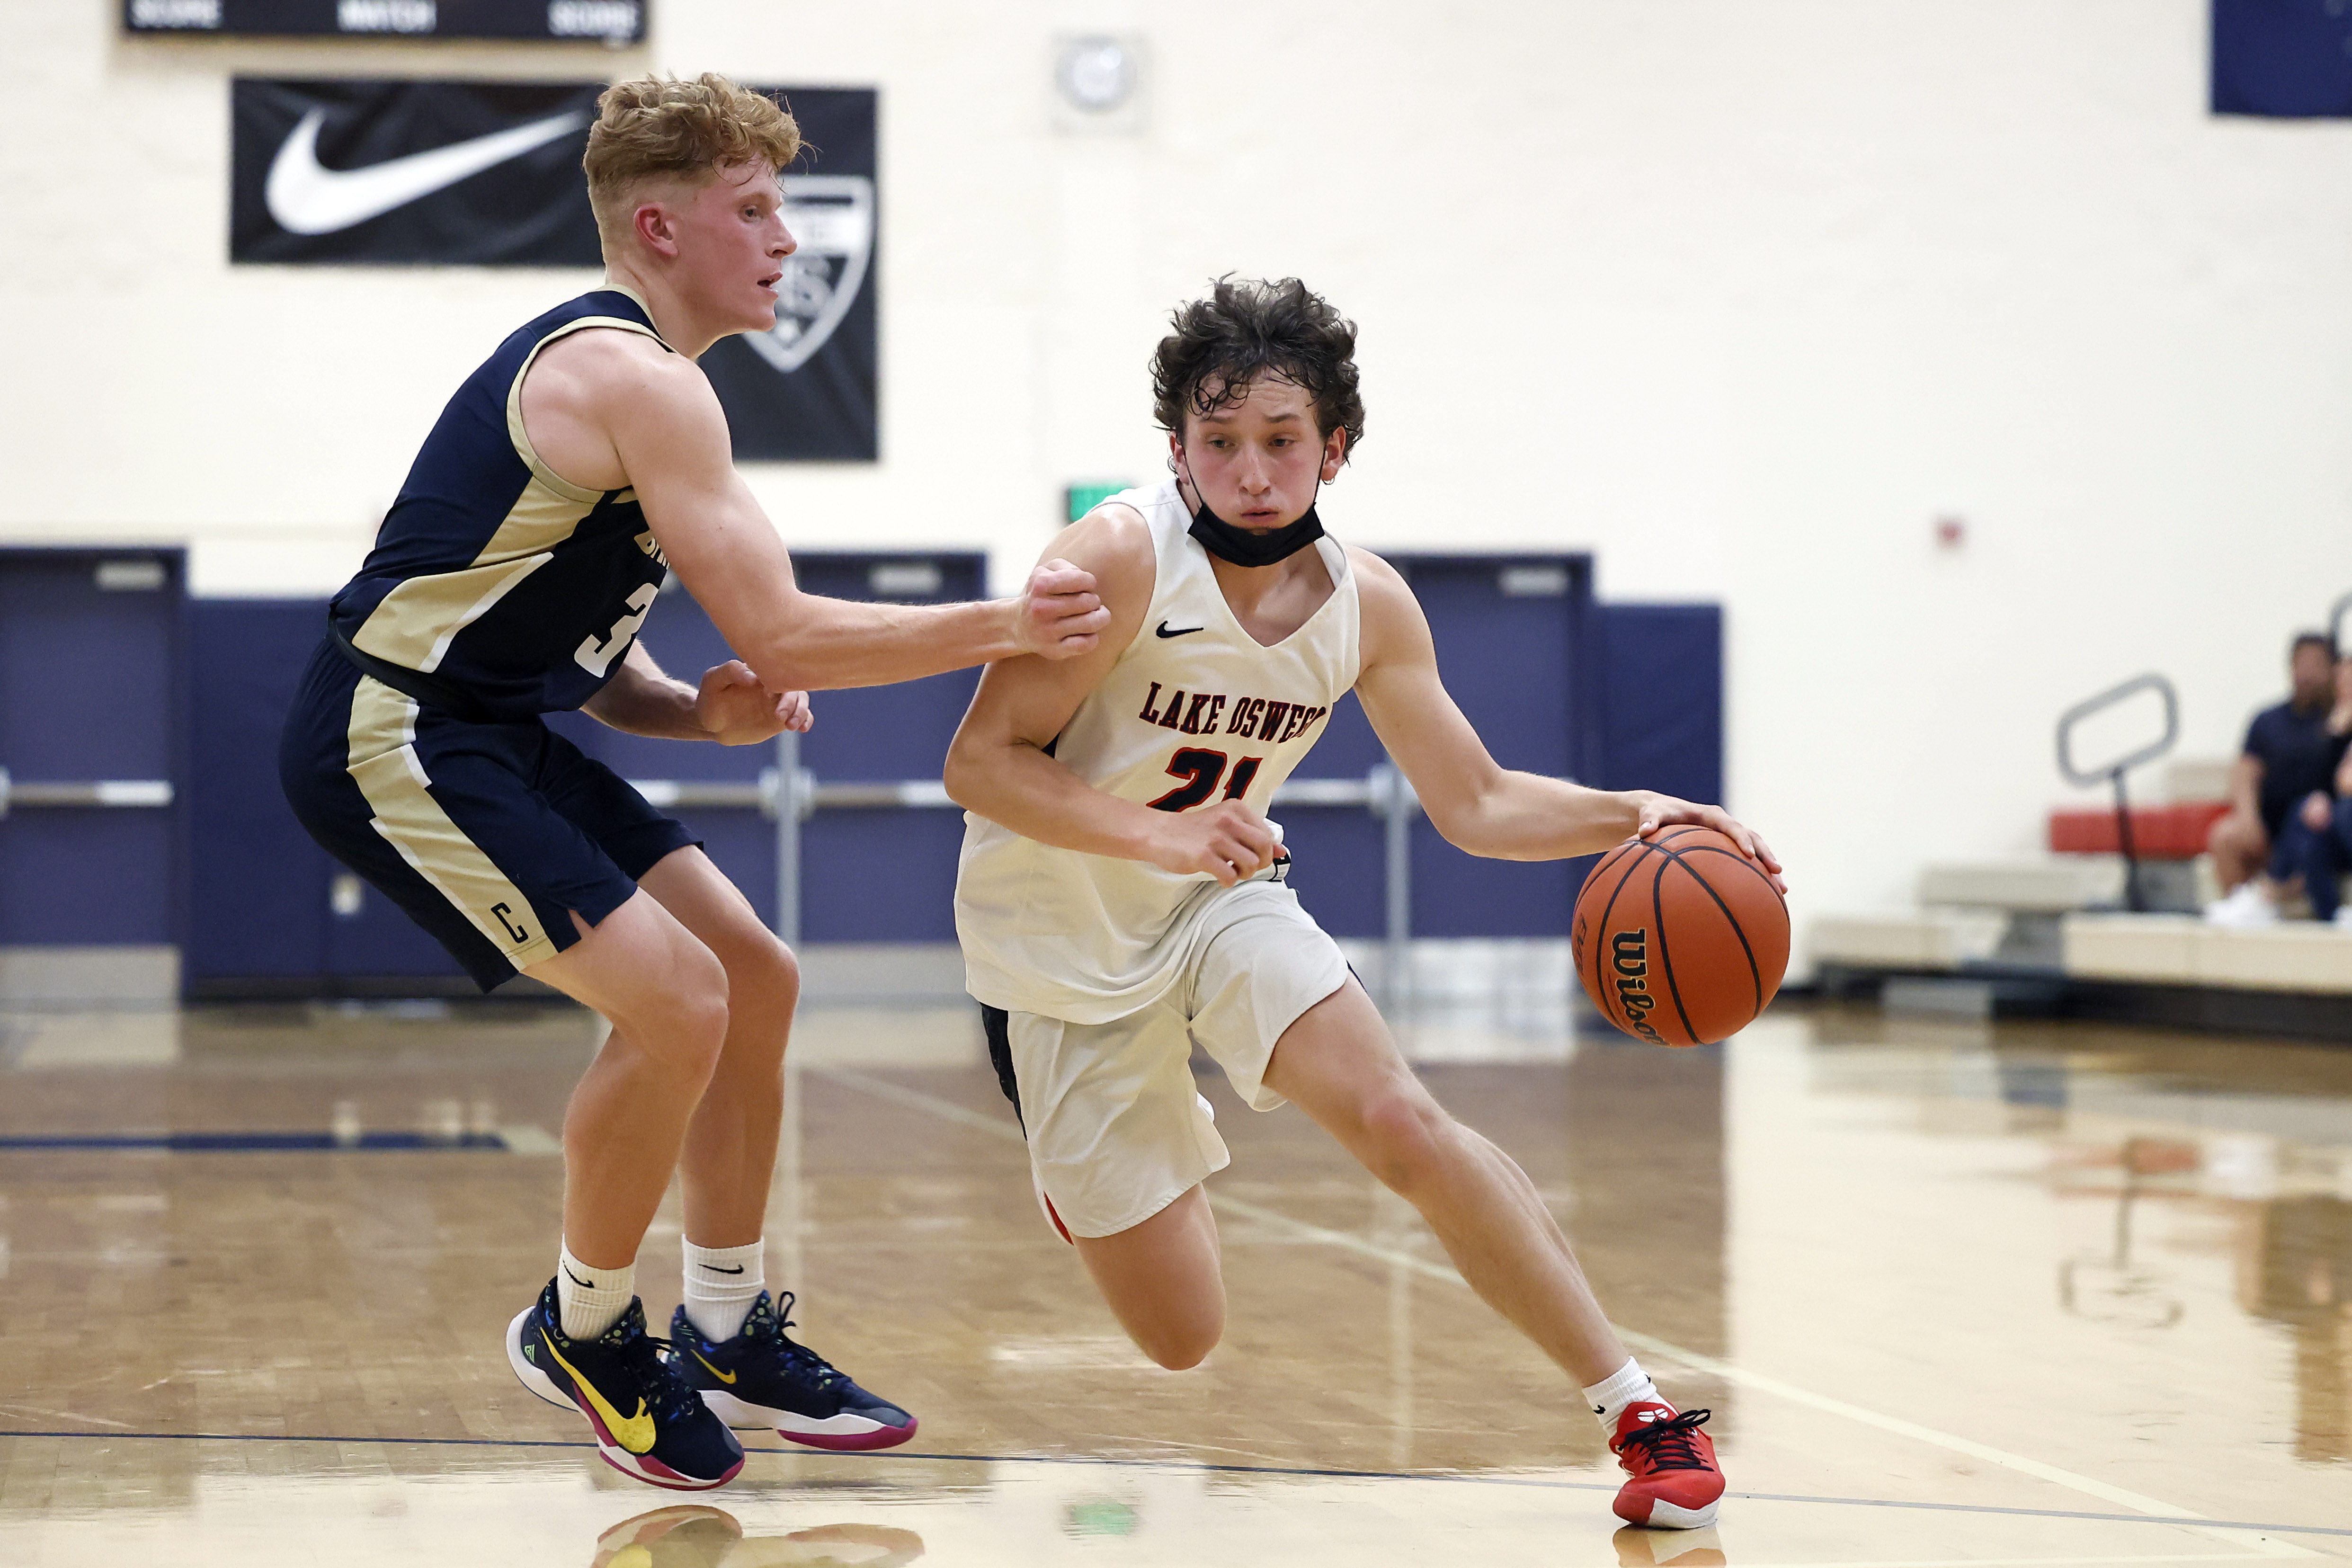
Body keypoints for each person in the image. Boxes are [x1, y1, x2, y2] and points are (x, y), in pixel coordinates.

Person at [279, 74, 1111, 1491]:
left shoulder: (660, 390)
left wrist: (693, 713)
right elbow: (784, 631)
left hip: (492, 721)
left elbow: (583, 652)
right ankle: (587, 1327)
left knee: (755, 975)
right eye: (756, 208)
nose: (787, 238)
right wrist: (1009, 622)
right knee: (679, 1002)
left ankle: (723, 1323)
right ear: (660, 229)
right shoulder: (629, 379)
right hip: (392, 729)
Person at [943, 277, 1782, 1533]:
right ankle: (1082, 1180)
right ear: (1177, 449)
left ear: (1335, 446)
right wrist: (1158, 835)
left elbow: (1479, 803)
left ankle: (1638, 1410)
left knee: (1400, 1116)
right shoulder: (1116, 557)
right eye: (1220, 444)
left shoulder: (1367, 606)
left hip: (1224, 904)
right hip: (1057, 951)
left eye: (1282, 441)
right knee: (1181, 1339)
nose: (1253, 472)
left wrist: (1635, 813)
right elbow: (979, 765)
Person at [2205, 633, 2352, 927]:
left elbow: (2336, 780)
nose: (2307, 672)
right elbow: (2245, 771)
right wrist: (2248, 817)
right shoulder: (2269, 720)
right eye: (2301, 663)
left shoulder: (2339, 720)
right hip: (2275, 821)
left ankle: (2268, 896)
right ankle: (2248, 908)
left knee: (2308, 818)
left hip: (2321, 818)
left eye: (2316, 665)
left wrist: (2338, 728)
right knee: (2225, 836)